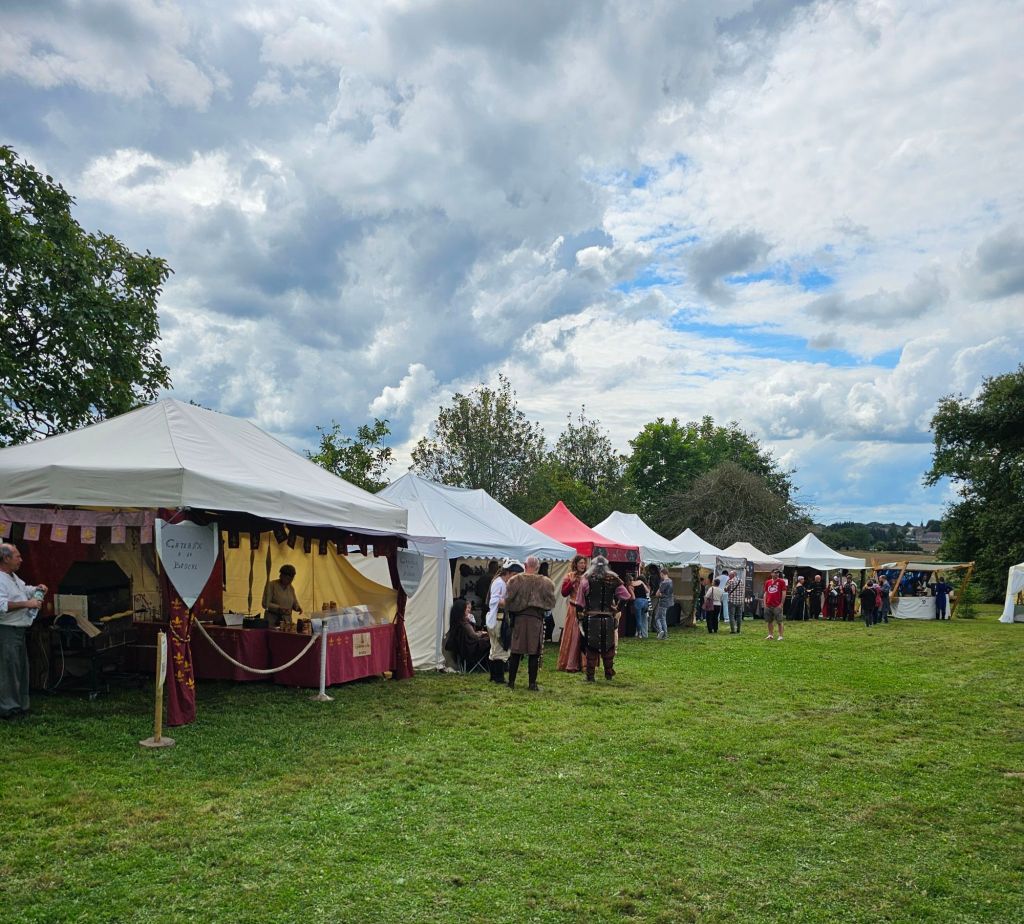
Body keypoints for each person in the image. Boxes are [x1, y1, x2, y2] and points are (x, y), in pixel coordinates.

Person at [1, 543, 47, 719]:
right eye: (17, 556)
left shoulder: (13, 577)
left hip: (19, 630)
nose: (21, 560)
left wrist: (36, 589)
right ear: (6, 558)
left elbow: (23, 590)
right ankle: (8, 708)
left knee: (20, 668)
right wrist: (27, 604)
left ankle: (21, 705)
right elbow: (2, 606)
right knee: (8, 670)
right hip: (7, 630)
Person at [575, 556, 633, 682]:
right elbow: (626, 596)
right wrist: (617, 609)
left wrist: (579, 618)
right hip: (608, 619)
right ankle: (608, 673)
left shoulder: (586, 579)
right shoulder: (614, 579)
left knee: (591, 647)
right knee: (608, 647)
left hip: (591, 619)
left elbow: (579, 603)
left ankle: (590, 675)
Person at [504, 556, 557, 691]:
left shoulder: (515, 580)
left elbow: (508, 599)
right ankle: (532, 684)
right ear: (537, 567)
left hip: (519, 619)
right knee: (534, 652)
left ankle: (511, 682)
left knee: (516, 651)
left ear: (525, 565)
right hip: (535, 620)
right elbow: (551, 602)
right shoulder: (546, 582)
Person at [485, 560, 518, 684]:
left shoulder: (500, 582)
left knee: (495, 648)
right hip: (498, 619)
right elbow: (495, 601)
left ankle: (494, 676)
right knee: (500, 647)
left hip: (497, 618)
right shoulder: (499, 583)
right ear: (508, 573)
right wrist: (510, 601)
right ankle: (498, 677)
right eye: (513, 575)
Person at [557, 555, 588, 672]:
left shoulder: (588, 576)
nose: (583, 565)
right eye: (580, 563)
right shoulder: (569, 576)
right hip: (573, 609)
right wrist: (571, 582)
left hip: (585, 609)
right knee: (573, 636)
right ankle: (571, 663)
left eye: (584, 563)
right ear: (575, 564)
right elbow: (564, 593)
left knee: (584, 635)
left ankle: (585, 664)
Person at [445, 597, 491, 668]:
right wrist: (482, 633)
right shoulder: (464, 624)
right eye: (466, 608)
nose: (468, 610)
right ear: (461, 610)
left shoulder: (457, 623)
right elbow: (474, 636)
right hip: (470, 649)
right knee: (490, 641)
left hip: (464, 648)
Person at [763, 569, 788, 641]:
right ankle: (770, 635)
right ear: (771, 573)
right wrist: (765, 603)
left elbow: (784, 592)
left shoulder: (781, 581)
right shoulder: (767, 582)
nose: (777, 574)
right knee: (769, 621)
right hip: (768, 604)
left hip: (777, 604)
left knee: (779, 621)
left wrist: (781, 603)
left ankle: (780, 636)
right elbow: (766, 593)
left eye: (778, 573)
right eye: (775, 573)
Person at [628, 571, 651, 639]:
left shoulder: (630, 586)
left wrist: (628, 598)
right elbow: (647, 591)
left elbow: (633, 597)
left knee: (638, 619)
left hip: (638, 602)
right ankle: (645, 634)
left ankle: (639, 634)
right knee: (644, 618)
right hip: (645, 602)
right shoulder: (641, 582)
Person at [653, 567, 674, 640]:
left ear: (662, 573)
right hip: (669, 601)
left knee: (658, 618)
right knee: (662, 618)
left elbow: (657, 594)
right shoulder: (671, 581)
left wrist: (659, 591)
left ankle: (661, 631)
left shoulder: (664, 582)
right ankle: (664, 634)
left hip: (663, 602)